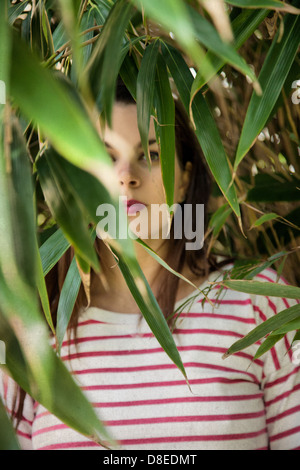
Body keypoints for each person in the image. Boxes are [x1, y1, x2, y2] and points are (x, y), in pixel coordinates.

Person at [1, 80, 300, 451]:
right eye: (105, 156)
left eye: (151, 155)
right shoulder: (29, 327)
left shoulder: (263, 308)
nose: (127, 175)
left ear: (185, 179)